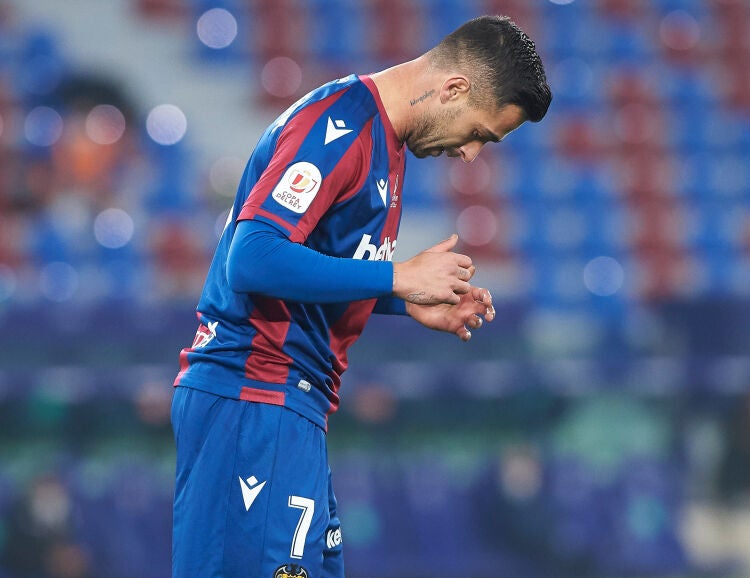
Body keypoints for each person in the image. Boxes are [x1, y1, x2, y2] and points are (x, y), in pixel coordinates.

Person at [170, 15, 550, 578]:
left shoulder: (385, 146)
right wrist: (395, 277)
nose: (472, 154)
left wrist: (405, 299)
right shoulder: (341, 125)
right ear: (454, 89)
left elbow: (312, 265)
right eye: (479, 134)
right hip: (252, 398)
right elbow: (251, 257)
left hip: (294, 408)